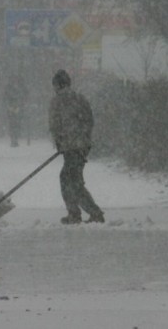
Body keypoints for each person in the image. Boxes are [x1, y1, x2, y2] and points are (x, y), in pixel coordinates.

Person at [49, 69, 105, 224]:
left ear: (57, 85)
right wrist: (83, 139)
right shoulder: (80, 98)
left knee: (70, 180)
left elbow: (55, 126)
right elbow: (89, 120)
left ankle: (85, 213)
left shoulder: (57, 101)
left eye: (54, 85)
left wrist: (61, 142)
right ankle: (79, 213)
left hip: (70, 147)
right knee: (72, 179)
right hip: (82, 146)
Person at [4, 74, 28, 147]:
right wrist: (9, 106)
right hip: (11, 108)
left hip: (18, 108)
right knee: (13, 124)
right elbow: (5, 98)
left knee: (17, 124)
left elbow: (25, 96)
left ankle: (15, 138)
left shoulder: (20, 87)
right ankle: (13, 139)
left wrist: (21, 105)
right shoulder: (9, 88)